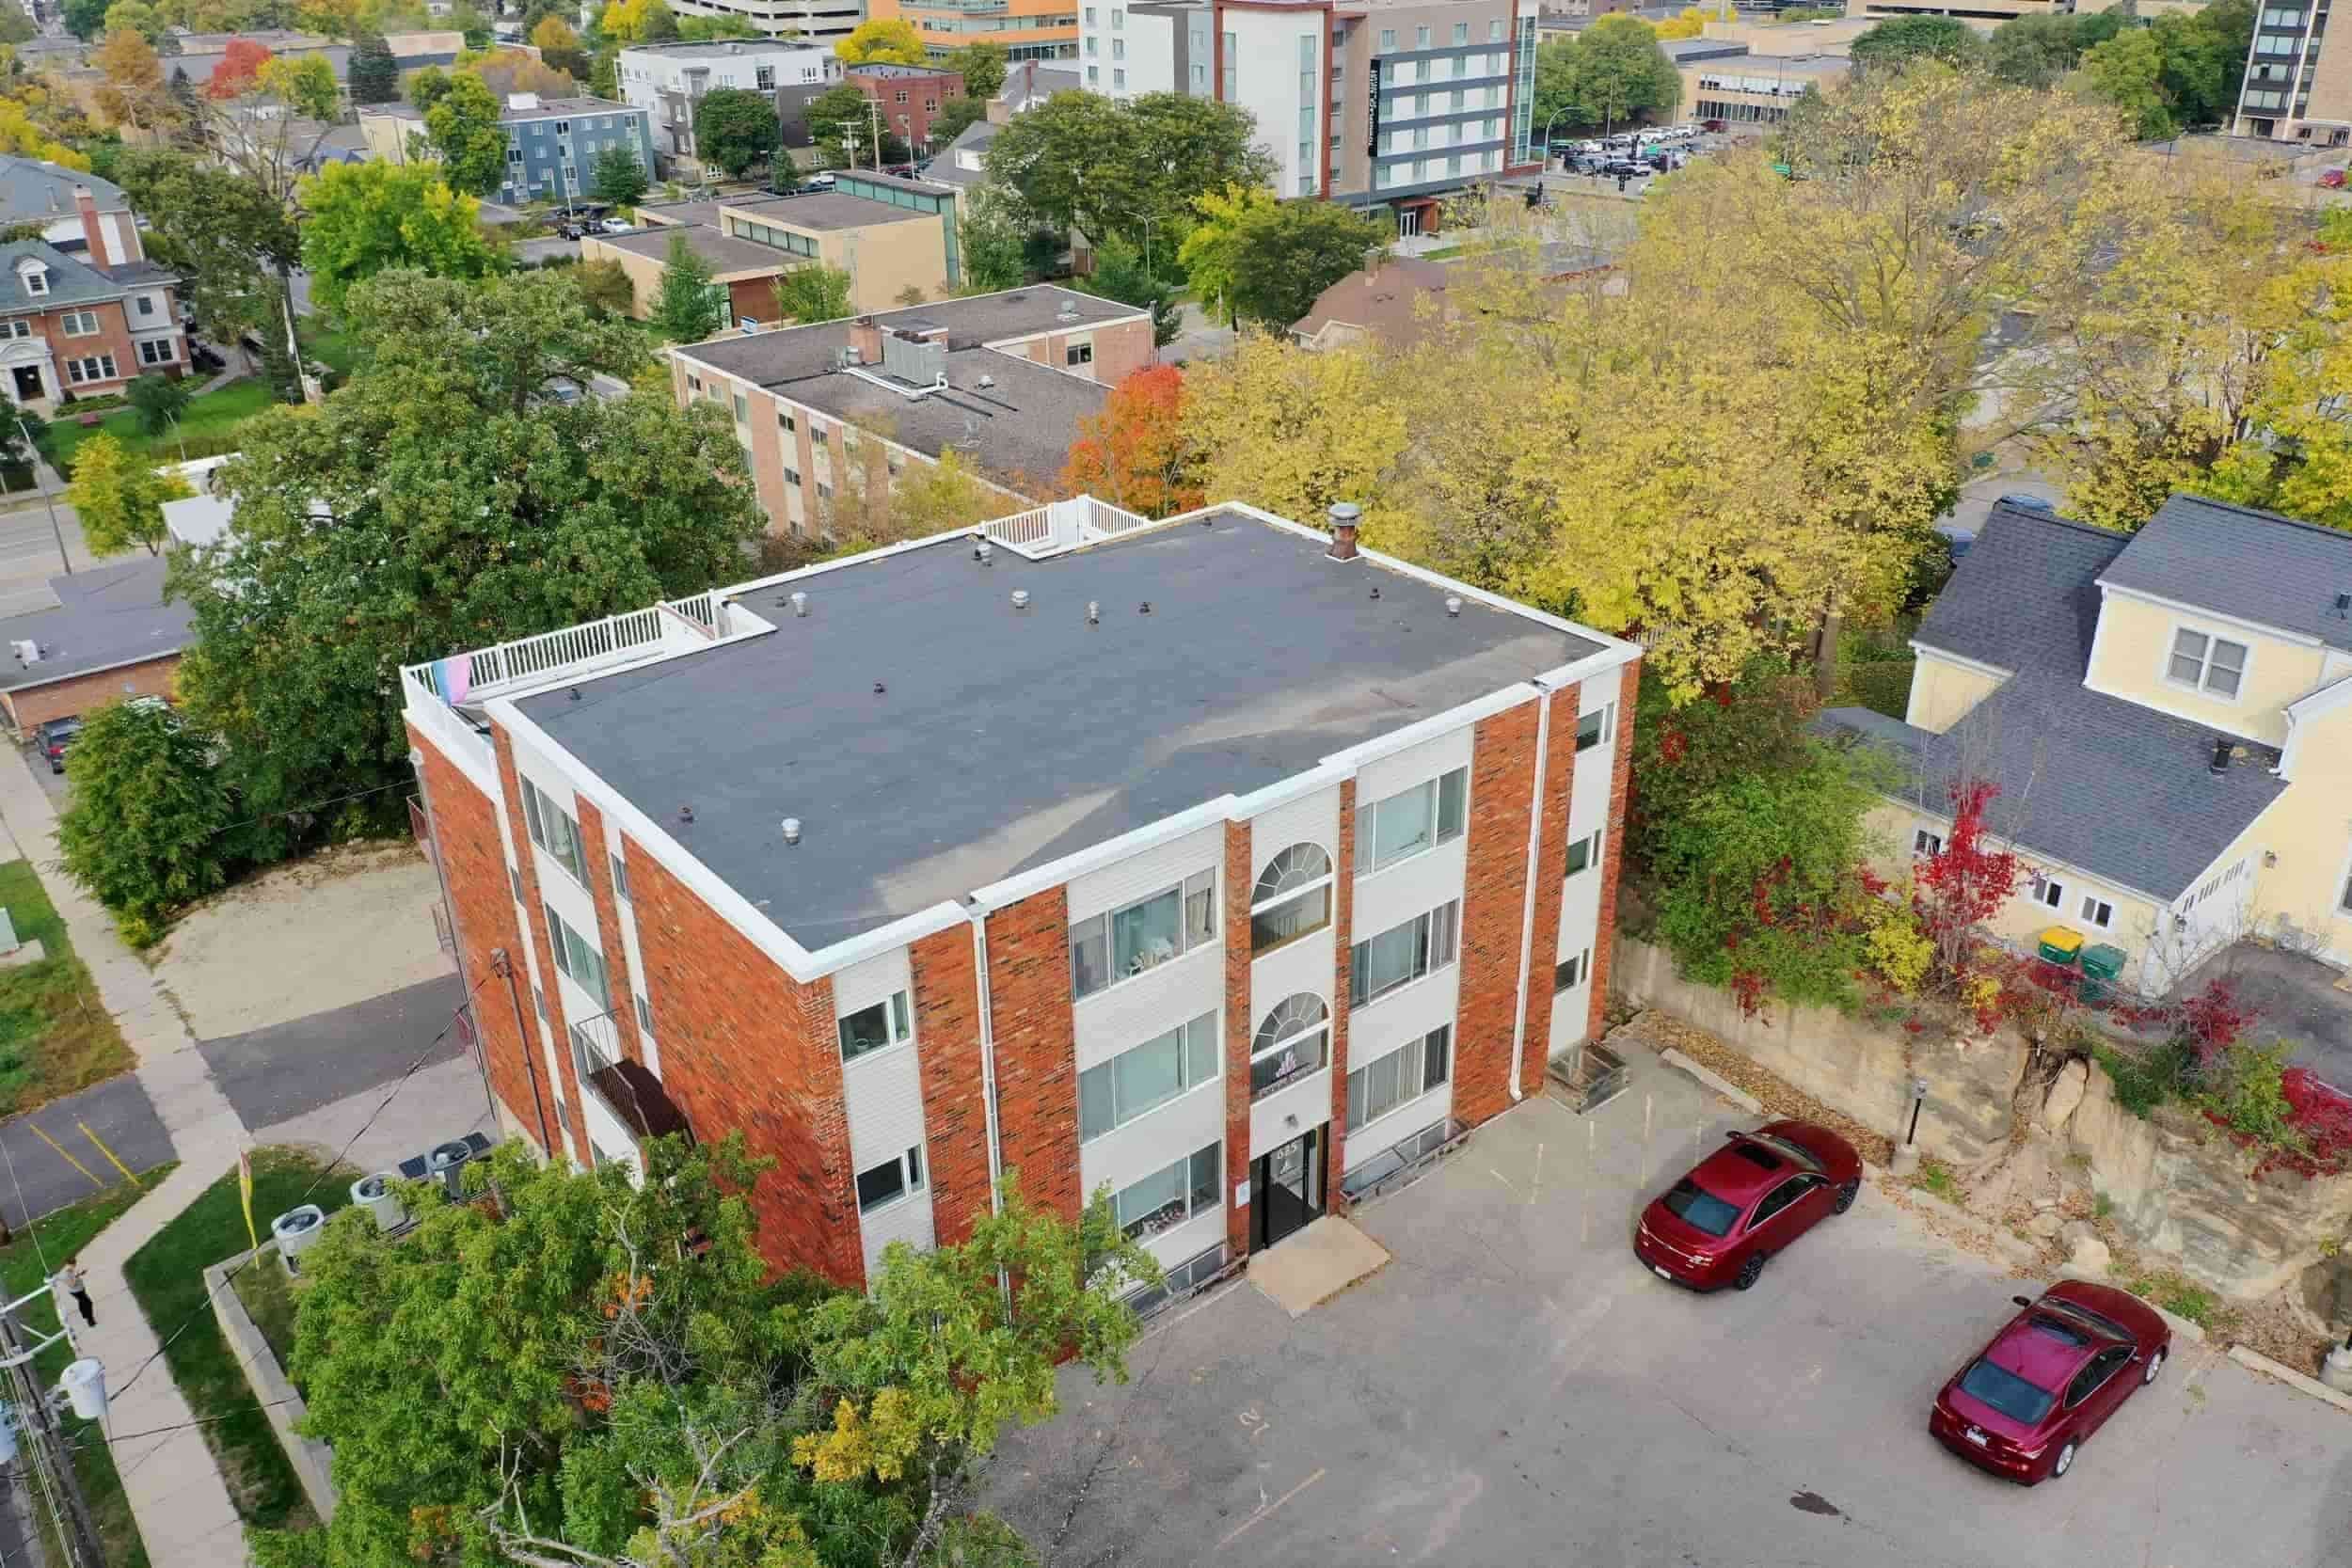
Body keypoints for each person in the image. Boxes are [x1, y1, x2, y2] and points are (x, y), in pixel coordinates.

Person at [59, 1258, 93, 1328]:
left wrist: (80, 1273)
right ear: (69, 1264)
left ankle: (84, 1314)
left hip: (80, 1289)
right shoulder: (65, 1274)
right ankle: (90, 1320)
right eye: (74, 1265)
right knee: (88, 1303)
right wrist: (76, 1276)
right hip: (76, 1292)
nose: (75, 1266)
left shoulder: (71, 1270)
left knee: (81, 1302)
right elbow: (71, 1285)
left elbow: (75, 1277)